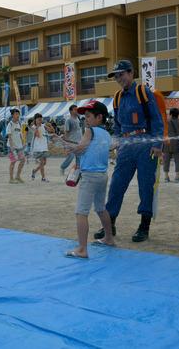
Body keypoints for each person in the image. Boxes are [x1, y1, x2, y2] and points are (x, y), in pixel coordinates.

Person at [93, 60, 164, 243]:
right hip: (126, 145)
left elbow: (156, 119)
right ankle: (110, 224)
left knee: (145, 186)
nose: (119, 78)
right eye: (116, 76)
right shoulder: (116, 98)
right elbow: (117, 124)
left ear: (131, 73)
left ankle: (144, 226)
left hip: (145, 144)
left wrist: (157, 145)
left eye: (121, 74)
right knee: (117, 185)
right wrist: (116, 141)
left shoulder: (143, 92)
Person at [64, 101, 115, 259]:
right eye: (84, 116)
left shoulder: (89, 130)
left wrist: (70, 148)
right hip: (102, 176)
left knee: (81, 212)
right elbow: (105, 148)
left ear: (99, 117)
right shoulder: (106, 134)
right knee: (101, 208)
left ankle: (82, 249)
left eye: (88, 116)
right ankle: (109, 238)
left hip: (89, 176)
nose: (85, 119)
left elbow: (81, 148)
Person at [163, 107, 179, 183]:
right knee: (177, 160)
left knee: (166, 160)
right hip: (177, 144)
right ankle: (177, 177)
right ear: (178, 115)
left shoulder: (166, 122)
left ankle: (166, 177)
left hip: (167, 143)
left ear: (170, 114)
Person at [60, 105, 83, 175]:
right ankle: (62, 167)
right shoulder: (68, 120)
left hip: (78, 142)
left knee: (79, 158)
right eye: (75, 109)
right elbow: (66, 133)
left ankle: (78, 173)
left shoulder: (78, 119)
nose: (77, 111)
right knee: (71, 156)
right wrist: (65, 145)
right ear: (71, 111)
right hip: (71, 143)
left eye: (77, 109)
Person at [6, 109, 26, 183]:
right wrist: (11, 147)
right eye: (16, 114)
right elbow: (9, 136)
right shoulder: (10, 124)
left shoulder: (19, 124)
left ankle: (17, 176)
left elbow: (20, 134)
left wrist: (23, 142)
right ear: (12, 115)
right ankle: (11, 179)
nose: (18, 116)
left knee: (23, 160)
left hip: (19, 147)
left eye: (18, 114)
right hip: (11, 147)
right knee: (13, 161)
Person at [30, 113, 52, 182]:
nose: (40, 121)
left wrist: (49, 126)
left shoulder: (43, 125)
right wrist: (37, 126)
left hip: (44, 146)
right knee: (42, 162)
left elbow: (51, 131)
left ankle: (34, 171)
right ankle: (43, 178)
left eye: (41, 119)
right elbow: (38, 135)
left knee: (44, 163)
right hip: (38, 147)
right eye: (38, 119)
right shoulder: (33, 127)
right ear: (35, 120)